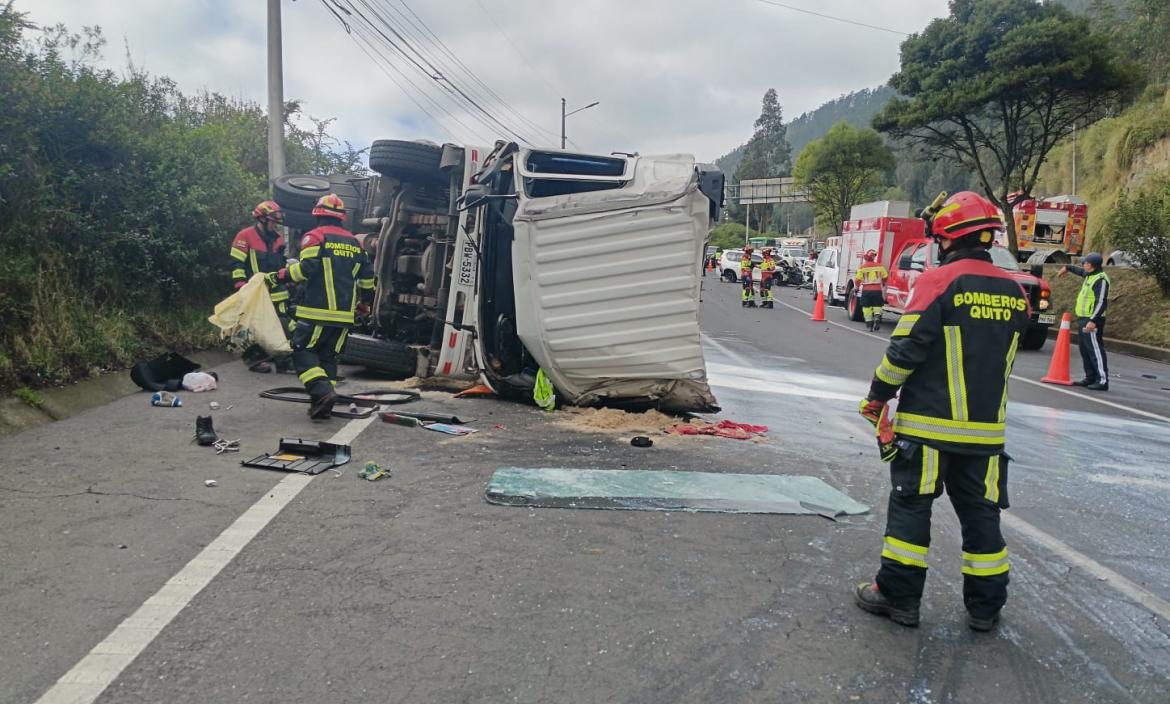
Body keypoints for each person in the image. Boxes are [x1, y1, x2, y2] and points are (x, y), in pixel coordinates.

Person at [854, 191, 1031, 632]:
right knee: (982, 517)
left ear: (947, 236)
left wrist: (878, 396)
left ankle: (898, 598)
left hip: (928, 430)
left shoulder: (938, 282)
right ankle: (986, 607)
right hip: (986, 438)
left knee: (911, 509)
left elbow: (906, 350)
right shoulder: (1014, 292)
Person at [269, 194, 376, 419]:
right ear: (341, 218)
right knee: (327, 357)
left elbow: (306, 269)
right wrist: (365, 303)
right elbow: (368, 279)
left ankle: (323, 391)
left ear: (318, 215)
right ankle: (320, 407)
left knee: (302, 351)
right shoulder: (356, 243)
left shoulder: (315, 237)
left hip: (316, 313)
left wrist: (280, 275)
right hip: (345, 317)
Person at [230, 200, 294, 372]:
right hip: (254, 290)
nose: (275, 225)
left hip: (276, 289)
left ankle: (283, 360)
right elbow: (237, 263)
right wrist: (242, 285)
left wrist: (287, 278)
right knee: (251, 325)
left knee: (282, 322)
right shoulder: (244, 236)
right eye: (273, 221)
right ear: (262, 219)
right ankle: (255, 361)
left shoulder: (278, 239)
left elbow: (281, 263)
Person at [1057, 253, 1110, 391]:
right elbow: (1079, 271)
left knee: (1095, 350)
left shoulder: (1101, 280)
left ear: (1091, 265)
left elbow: (1101, 302)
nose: (1083, 265)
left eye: (1085, 263)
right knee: (1084, 350)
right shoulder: (1089, 275)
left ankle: (1102, 380)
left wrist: (1093, 320)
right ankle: (1090, 377)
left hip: (1092, 320)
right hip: (1083, 318)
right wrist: (1067, 268)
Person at [855, 249, 889, 331]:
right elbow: (885, 276)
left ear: (866, 257)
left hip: (866, 290)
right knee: (877, 305)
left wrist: (857, 287)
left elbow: (857, 279)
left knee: (866, 307)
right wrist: (883, 283)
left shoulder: (862, 267)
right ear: (873, 257)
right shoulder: (880, 266)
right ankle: (877, 316)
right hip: (877, 290)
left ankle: (869, 323)